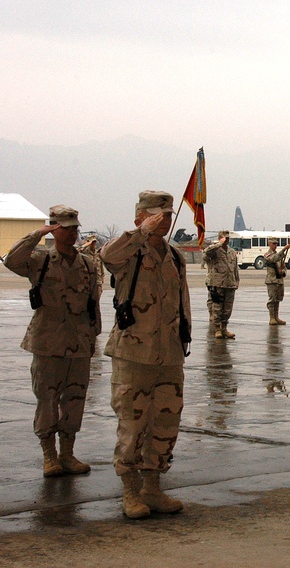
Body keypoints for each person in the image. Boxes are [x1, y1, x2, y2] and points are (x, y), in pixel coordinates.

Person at [100, 190, 190, 519]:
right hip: (134, 353)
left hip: (168, 354)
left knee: (165, 423)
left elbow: (183, 303)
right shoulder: (129, 252)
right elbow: (107, 256)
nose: (164, 220)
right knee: (132, 424)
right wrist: (140, 232)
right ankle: (130, 491)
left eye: (168, 215)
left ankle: (153, 489)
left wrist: (184, 340)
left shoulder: (175, 256)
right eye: (157, 214)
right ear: (140, 216)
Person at [5, 205, 102, 477]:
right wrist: (36, 234)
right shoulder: (40, 259)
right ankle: (50, 455)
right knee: (47, 398)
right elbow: (11, 260)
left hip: (79, 342)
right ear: (55, 229)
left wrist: (93, 336)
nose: (72, 234)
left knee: (75, 399)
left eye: (74, 229)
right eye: (66, 228)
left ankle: (68, 453)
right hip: (48, 341)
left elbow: (93, 302)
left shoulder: (87, 263)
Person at [203, 229, 240, 339]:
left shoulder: (232, 252)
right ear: (220, 238)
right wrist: (218, 244)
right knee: (217, 308)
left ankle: (224, 328)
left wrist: (236, 281)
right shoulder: (215, 250)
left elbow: (235, 268)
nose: (227, 240)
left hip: (230, 284)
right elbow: (205, 253)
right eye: (225, 238)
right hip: (218, 283)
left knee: (228, 309)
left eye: (228, 238)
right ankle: (217, 329)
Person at [264, 237, 290, 326]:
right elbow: (274, 259)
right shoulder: (267, 254)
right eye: (273, 244)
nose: (275, 245)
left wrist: (283, 272)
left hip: (279, 280)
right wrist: (284, 249)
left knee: (278, 299)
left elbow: (283, 266)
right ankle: (271, 317)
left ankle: (276, 317)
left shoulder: (280, 255)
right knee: (272, 299)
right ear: (269, 244)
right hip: (272, 280)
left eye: (276, 244)